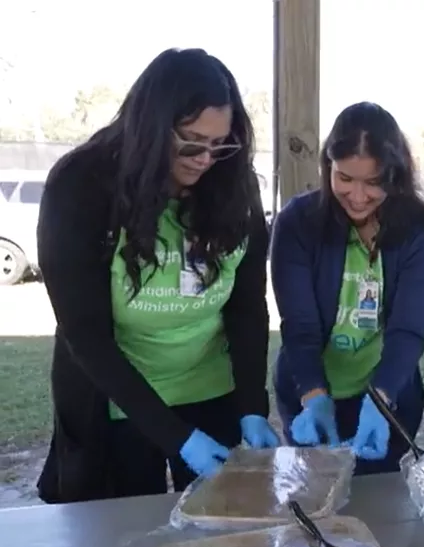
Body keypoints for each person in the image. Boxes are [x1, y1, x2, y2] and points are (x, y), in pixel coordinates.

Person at [35, 48, 278, 504]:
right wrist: (176, 436)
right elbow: (84, 335)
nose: (205, 158)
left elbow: (247, 305)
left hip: (210, 387)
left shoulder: (233, 183)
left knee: (225, 537)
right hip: (115, 397)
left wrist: (251, 407)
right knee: (121, 538)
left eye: (219, 144)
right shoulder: (79, 186)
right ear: (149, 129)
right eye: (190, 142)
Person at [271, 102, 424, 474]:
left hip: (386, 393)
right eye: (345, 178)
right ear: (328, 166)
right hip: (310, 386)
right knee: (315, 495)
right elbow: (299, 325)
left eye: (374, 182)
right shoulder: (298, 223)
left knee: (377, 504)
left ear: (394, 177)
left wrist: (380, 401)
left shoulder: (419, 231)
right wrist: (313, 396)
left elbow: (409, 329)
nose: (358, 196)